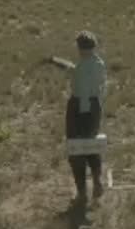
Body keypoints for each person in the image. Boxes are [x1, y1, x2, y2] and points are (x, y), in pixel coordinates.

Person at [46, 30, 107, 204]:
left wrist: (54, 60)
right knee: (91, 144)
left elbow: (72, 70)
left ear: (79, 47)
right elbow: (75, 69)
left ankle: (81, 192)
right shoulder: (99, 63)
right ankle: (97, 182)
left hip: (78, 107)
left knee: (76, 148)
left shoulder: (80, 68)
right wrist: (57, 61)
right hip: (94, 106)